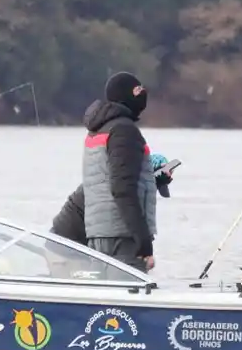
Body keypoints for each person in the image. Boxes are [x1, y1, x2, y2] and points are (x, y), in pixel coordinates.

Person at [78, 71, 158, 271]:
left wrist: (157, 179)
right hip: (123, 237)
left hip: (97, 234)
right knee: (129, 297)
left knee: (102, 298)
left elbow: (106, 181)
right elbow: (122, 188)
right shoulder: (124, 130)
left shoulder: (98, 129)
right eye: (138, 91)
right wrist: (143, 239)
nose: (143, 95)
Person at [50, 154, 178, 245]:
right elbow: (124, 218)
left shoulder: (126, 179)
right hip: (65, 242)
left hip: (78, 242)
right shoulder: (120, 184)